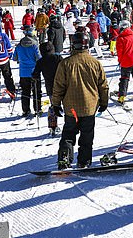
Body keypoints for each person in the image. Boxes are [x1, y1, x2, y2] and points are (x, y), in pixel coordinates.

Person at [52, 31, 109, 169]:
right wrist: (104, 102)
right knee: (86, 136)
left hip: (72, 109)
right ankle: (84, 161)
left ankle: (65, 158)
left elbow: (58, 86)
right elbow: (103, 86)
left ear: (73, 45)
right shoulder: (95, 63)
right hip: (89, 107)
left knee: (69, 134)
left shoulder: (65, 64)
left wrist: (55, 103)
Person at [13, 26, 42, 116]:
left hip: (23, 72)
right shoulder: (34, 45)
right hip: (34, 71)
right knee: (36, 91)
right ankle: (37, 109)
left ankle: (25, 110)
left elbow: (14, 58)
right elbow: (39, 58)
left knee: (25, 92)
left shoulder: (19, 45)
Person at [115, 20, 133, 104]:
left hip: (126, 61)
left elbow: (119, 51)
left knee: (124, 78)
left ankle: (122, 96)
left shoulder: (121, 38)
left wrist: (120, 61)